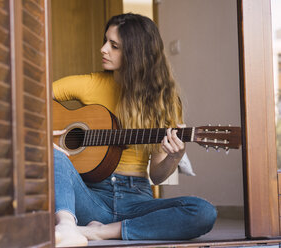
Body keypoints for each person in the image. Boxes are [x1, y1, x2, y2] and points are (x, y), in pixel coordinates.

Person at [52, 13, 217, 247]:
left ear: (135, 53)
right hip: (90, 196)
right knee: (52, 153)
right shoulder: (90, 84)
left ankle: (99, 232)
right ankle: (67, 226)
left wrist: (174, 156)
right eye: (105, 41)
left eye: (114, 45)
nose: (103, 49)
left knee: (203, 212)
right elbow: (30, 95)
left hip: (136, 199)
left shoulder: (165, 102)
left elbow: (157, 175)